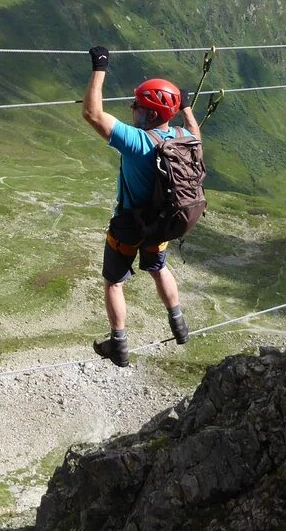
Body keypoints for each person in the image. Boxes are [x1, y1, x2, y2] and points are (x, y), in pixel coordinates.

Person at [81, 46, 201, 367]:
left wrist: (99, 67)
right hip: (160, 224)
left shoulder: (137, 142)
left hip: (129, 226)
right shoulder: (183, 137)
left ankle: (119, 345)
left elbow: (92, 114)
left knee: (114, 283)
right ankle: (179, 325)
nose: (132, 109)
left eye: (137, 106)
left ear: (150, 115)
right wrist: (186, 107)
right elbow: (196, 134)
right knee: (159, 268)